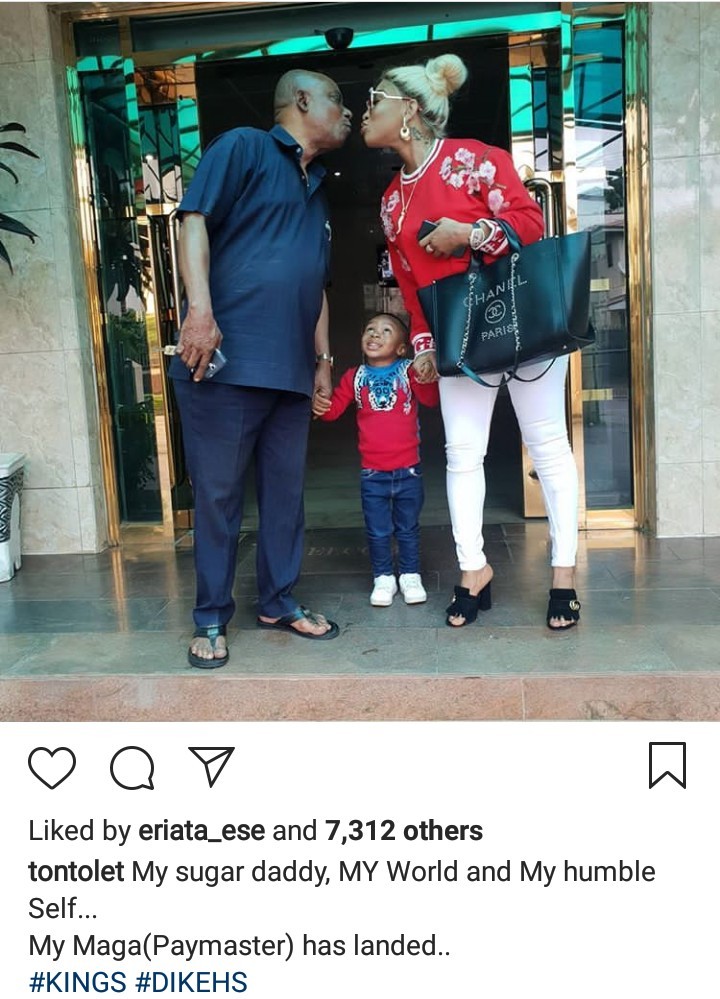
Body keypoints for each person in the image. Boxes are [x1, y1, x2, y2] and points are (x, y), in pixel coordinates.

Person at [360, 53, 581, 631]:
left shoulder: (475, 160)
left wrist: (471, 232)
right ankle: (473, 569)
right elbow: (409, 283)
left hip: (522, 322)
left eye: (374, 100)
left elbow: (530, 222)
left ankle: (563, 574)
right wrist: (423, 344)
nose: (365, 111)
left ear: (408, 109)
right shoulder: (390, 202)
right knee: (461, 454)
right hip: (456, 338)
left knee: (547, 445)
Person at [169, 69, 352, 668]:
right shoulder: (244, 147)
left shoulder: (317, 190)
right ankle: (210, 616)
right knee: (219, 497)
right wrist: (199, 312)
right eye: (336, 99)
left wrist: (322, 360)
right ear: (301, 101)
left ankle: (277, 601)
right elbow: (193, 220)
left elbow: (315, 285)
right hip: (225, 363)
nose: (347, 112)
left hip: (291, 371)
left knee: (285, 497)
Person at [312, 312, 439, 606]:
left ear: (402, 348)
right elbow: (332, 412)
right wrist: (318, 402)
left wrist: (425, 372)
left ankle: (410, 575)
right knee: (378, 530)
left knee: (407, 528)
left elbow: (430, 400)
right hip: (373, 474)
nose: (375, 334)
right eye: (370, 329)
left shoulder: (408, 371)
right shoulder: (354, 377)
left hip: (408, 471)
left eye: (386, 330)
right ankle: (383, 578)